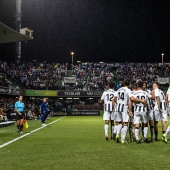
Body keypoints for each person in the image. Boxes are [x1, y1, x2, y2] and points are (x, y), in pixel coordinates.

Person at [113, 79, 146, 144]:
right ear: (129, 84)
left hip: (118, 108)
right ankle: (123, 139)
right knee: (125, 123)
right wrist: (141, 101)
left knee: (119, 122)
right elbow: (132, 99)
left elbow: (114, 99)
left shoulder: (119, 89)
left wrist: (119, 102)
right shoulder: (128, 90)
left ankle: (117, 134)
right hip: (124, 108)